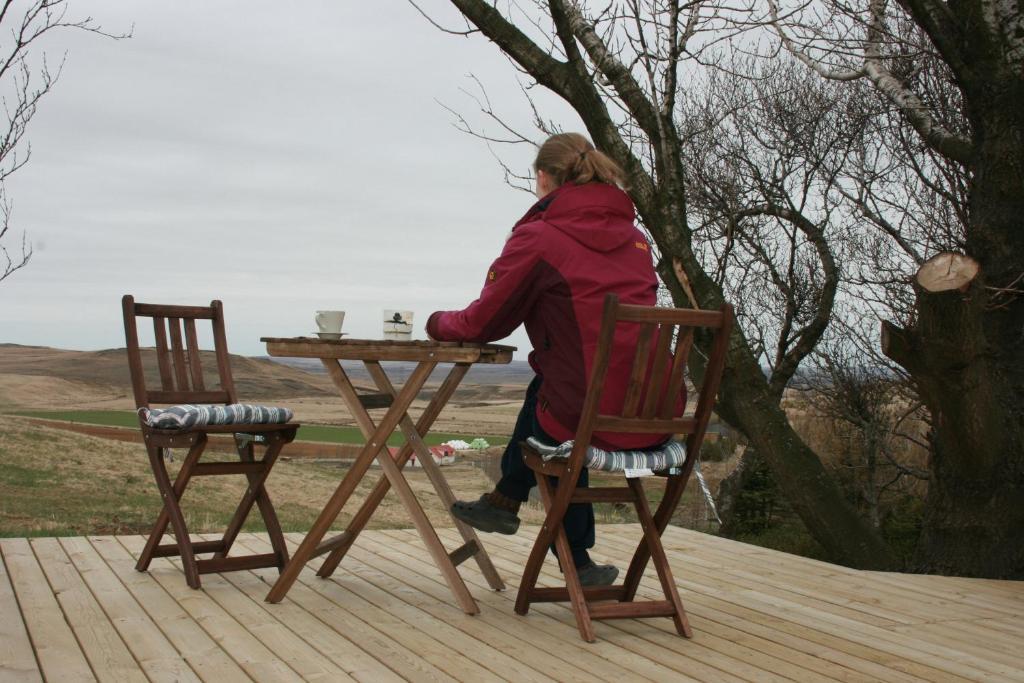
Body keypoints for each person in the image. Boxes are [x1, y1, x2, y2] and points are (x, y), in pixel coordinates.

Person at [425, 132, 671, 586]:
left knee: (559, 412)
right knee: (552, 387)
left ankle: (570, 555)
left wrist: (437, 322)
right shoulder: (637, 240)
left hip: (585, 414)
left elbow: (483, 322)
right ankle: (506, 499)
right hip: (652, 411)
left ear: (543, 177)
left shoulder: (542, 237)